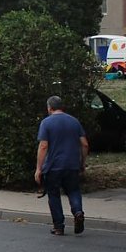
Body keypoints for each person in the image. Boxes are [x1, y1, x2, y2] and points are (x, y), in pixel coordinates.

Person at [35, 96, 88, 236]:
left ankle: (59, 226)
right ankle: (78, 212)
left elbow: (43, 146)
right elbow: (84, 144)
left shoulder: (46, 123)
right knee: (73, 191)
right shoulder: (74, 122)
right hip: (72, 165)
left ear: (49, 108)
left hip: (53, 167)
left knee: (53, 195)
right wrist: (82, 162)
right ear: (62, 107)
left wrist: (38, 168)